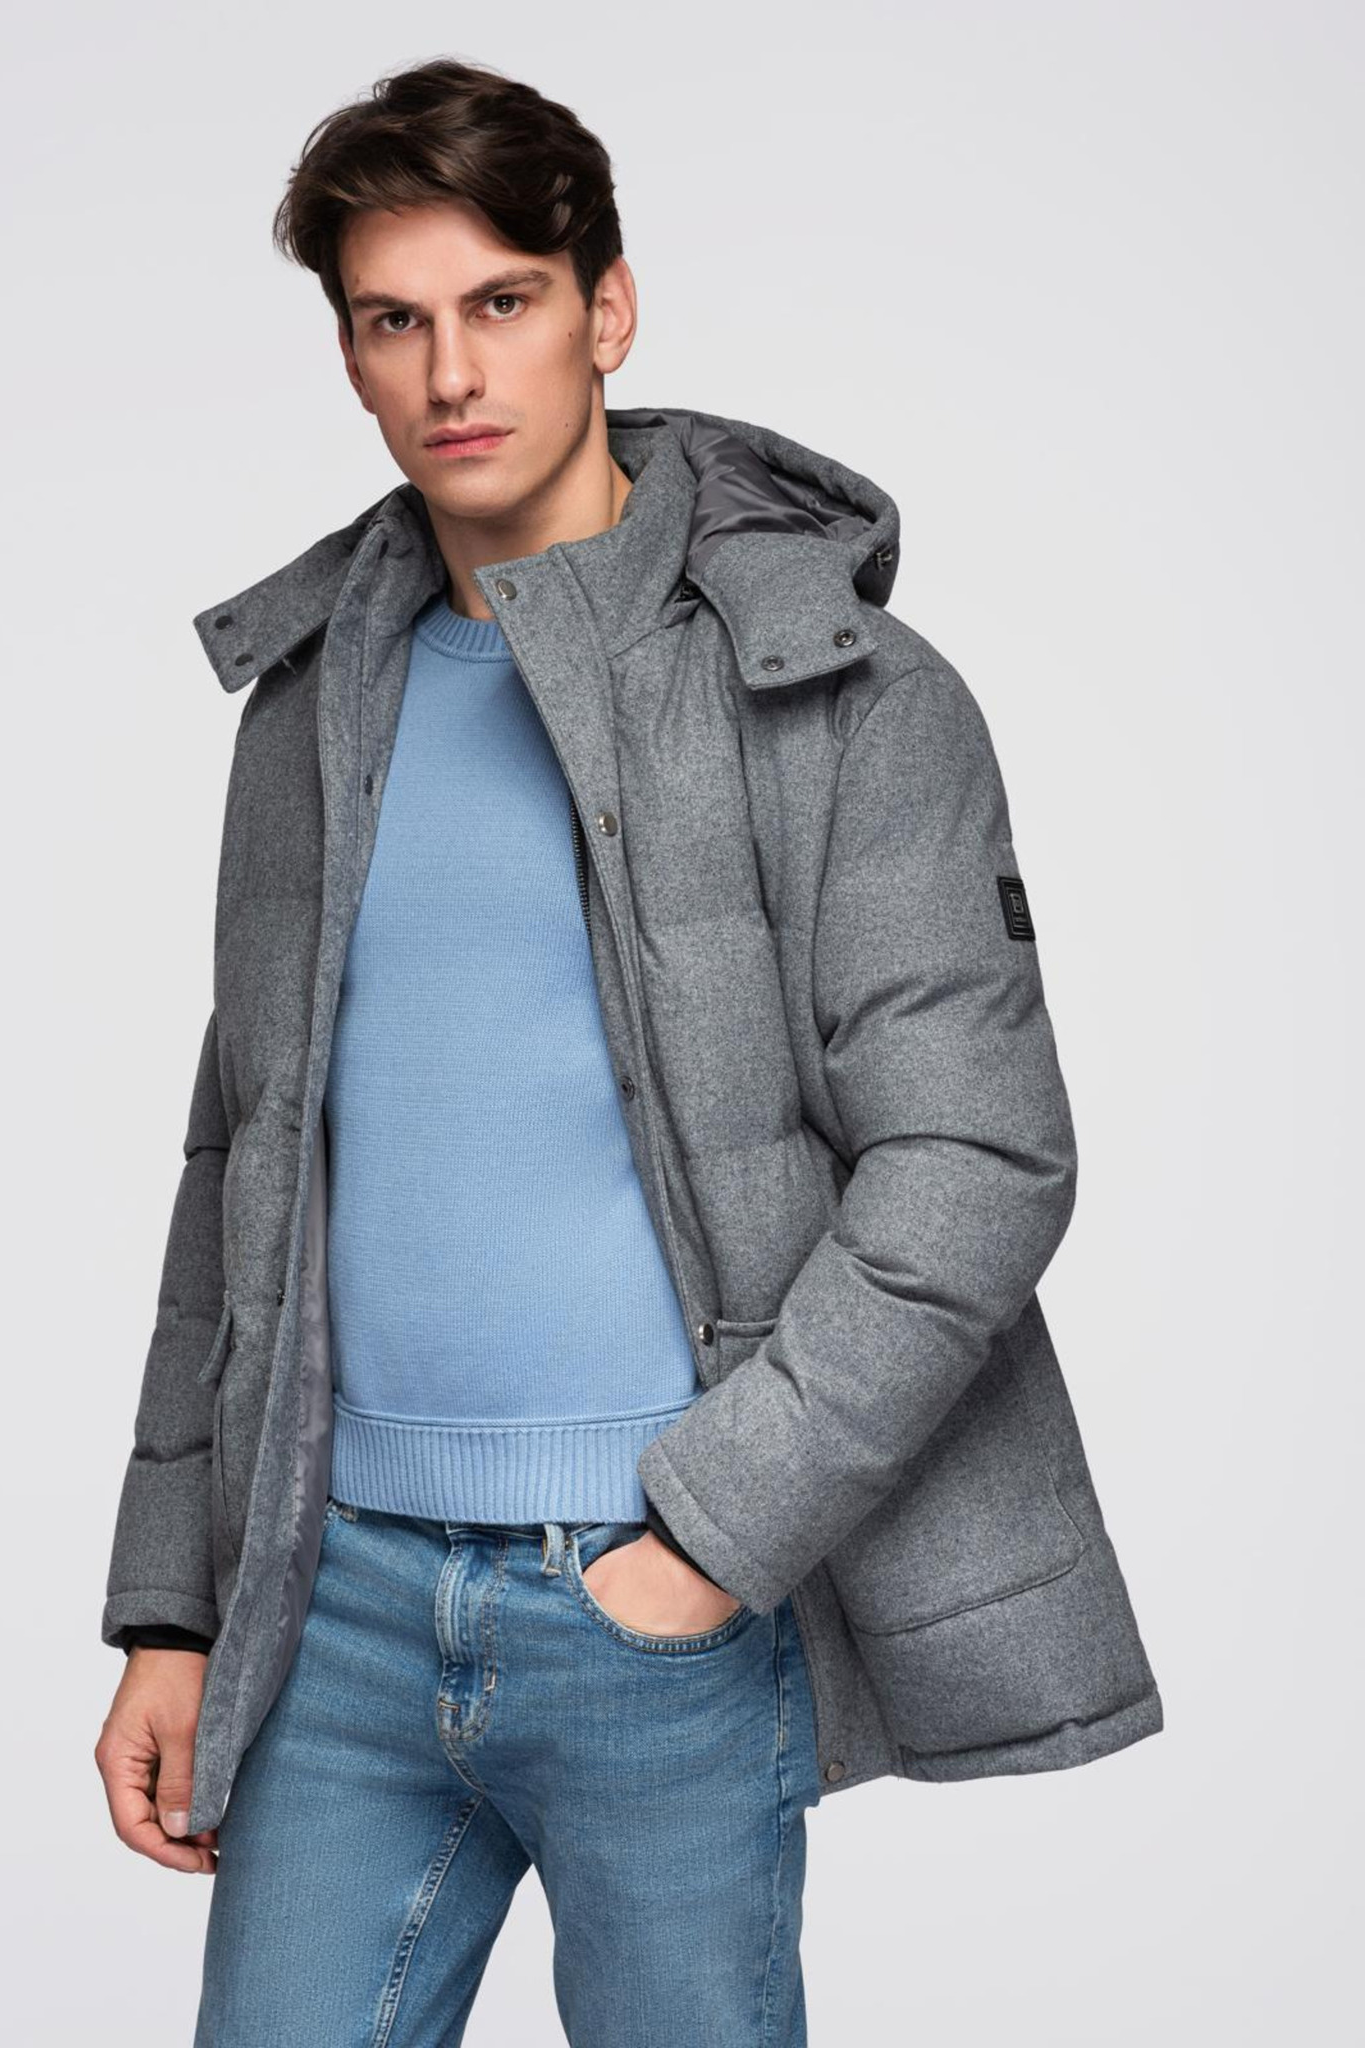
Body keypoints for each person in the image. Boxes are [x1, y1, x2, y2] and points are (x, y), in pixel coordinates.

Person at [94, 54, 1163, 2047]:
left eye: (501, 301)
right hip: (331, 1606)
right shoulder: (310, 707)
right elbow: (244, 1156)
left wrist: (710, 1542)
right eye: (393, 321)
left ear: (609, 309)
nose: (450, 371)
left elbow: (981, 1157)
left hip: (656, 1608)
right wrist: (175, 1602)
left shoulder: (841, 693)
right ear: (349, 357)